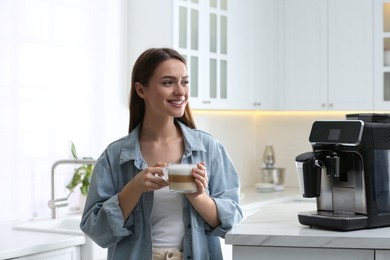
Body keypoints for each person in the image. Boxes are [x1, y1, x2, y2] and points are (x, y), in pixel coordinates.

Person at [80, 47, 243, 260]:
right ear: (141, 90)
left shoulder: (209, 148)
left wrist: (199, 197)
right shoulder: (115, 156)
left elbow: (233, 220)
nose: (180, 91)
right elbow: (96, 230)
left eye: (184, 82)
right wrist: (135, 187)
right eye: (168, 83)